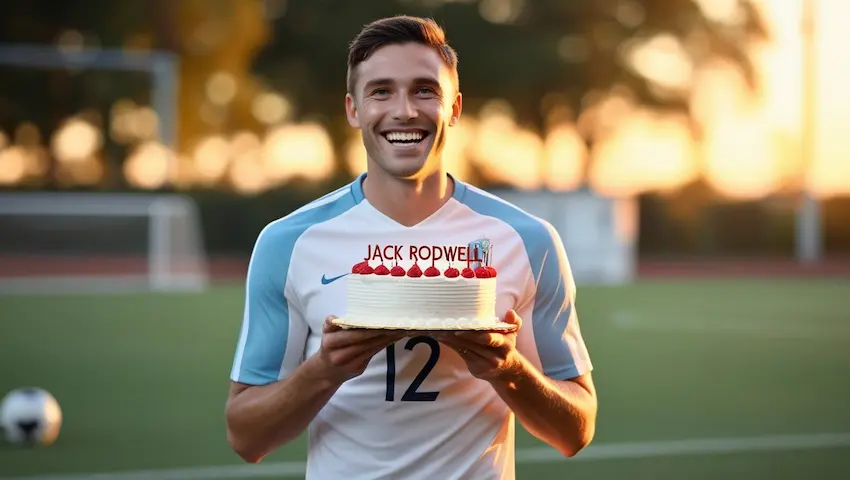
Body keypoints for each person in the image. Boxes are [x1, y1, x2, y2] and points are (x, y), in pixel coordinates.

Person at [225, 15, 597, 480]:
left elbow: (575, 431)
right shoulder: (289, 242)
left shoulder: (527, 239)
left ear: (455, 109)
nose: (404, 111)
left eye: (425, 90)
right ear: (353, 109)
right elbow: (245, 437)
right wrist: (325, 369)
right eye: (381, 91)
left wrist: (509, 370)